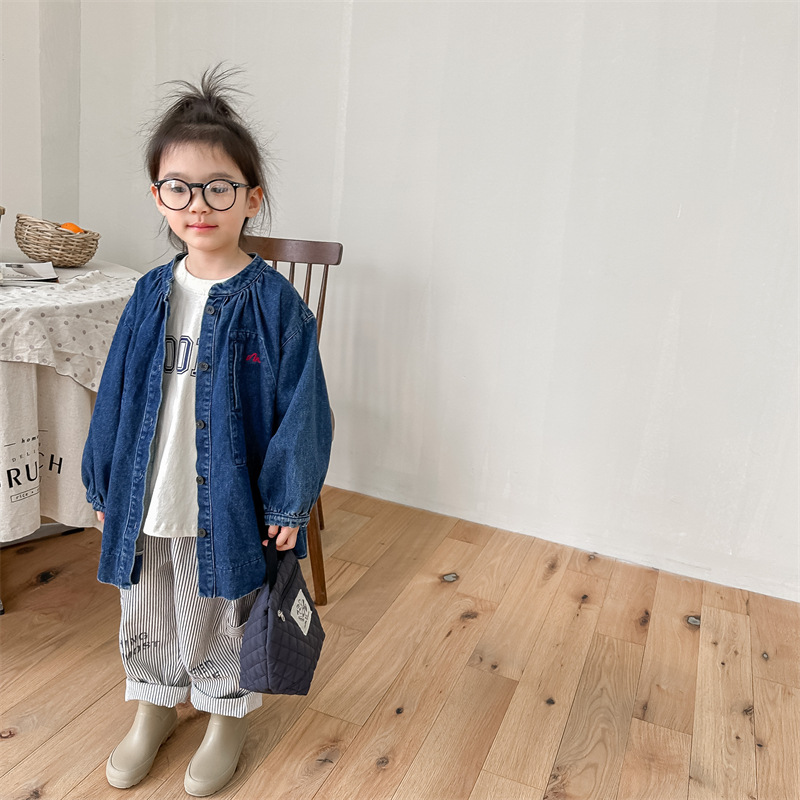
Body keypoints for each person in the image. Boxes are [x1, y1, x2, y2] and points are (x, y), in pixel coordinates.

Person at [81, 67, 332, 797]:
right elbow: (116, 394)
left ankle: (225, 715)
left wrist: (287, 502)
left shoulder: (276, 307)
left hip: (226, 496)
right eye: (180, 188)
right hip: (148, 488)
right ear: (157, 197)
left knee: (224, 607)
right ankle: (153, 704)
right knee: (148, 598)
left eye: (219, 187)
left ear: (252, 197)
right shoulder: (147, 293)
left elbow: (304, 411)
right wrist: (103, 483)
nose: (199, 204)